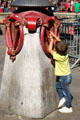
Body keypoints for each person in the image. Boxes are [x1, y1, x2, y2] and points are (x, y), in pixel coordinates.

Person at [48, 31, 73, 113]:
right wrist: (54, 35)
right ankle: (62, 98)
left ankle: (69, 107)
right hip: (67, 75)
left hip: (64, 77)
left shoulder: (57, 56)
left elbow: (49, 50)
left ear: (57, 51)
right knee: (58, 86)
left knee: (66, 91)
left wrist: (51, 40)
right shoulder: (65, 54)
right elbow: (60, 43)